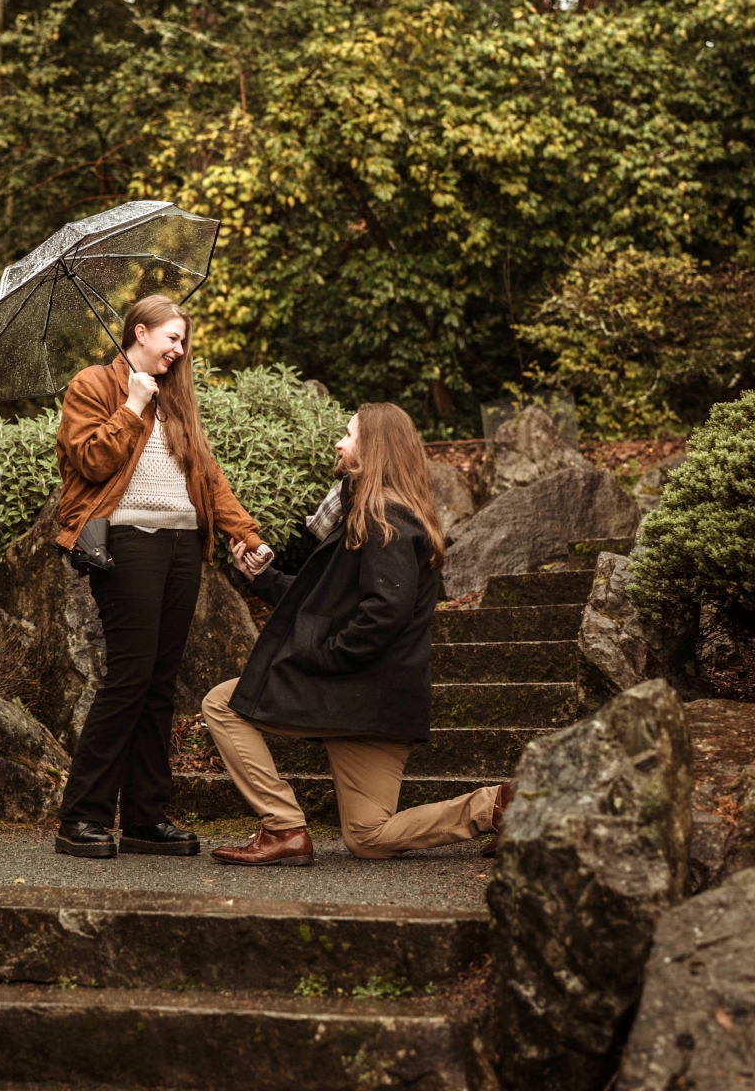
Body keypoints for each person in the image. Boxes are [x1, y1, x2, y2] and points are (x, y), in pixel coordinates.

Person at [202, 402, 514, 866]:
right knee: (368, 838)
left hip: (356, 690)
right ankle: (498, 807)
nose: (339, 443)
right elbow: (331, 601)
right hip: (371, 698)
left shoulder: (384, 517)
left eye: (349, 435)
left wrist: (323, 657)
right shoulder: (377, 512)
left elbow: (385, 611)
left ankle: (283, 827)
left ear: (375, 448)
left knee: (223, 705)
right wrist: (265, 579)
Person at [53, 293, 271, 859]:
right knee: (129, 677)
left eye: (183, 341)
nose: (179, 349)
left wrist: (246, 535)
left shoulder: (175, 399)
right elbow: (89, 461)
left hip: (181, 546)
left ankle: (145, 818)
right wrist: (131, 405)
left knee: (159, 685)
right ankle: (81, 817)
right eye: (173, 337)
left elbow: (207, 476)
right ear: (141, 332)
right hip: (127, 541)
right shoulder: (94, 385)